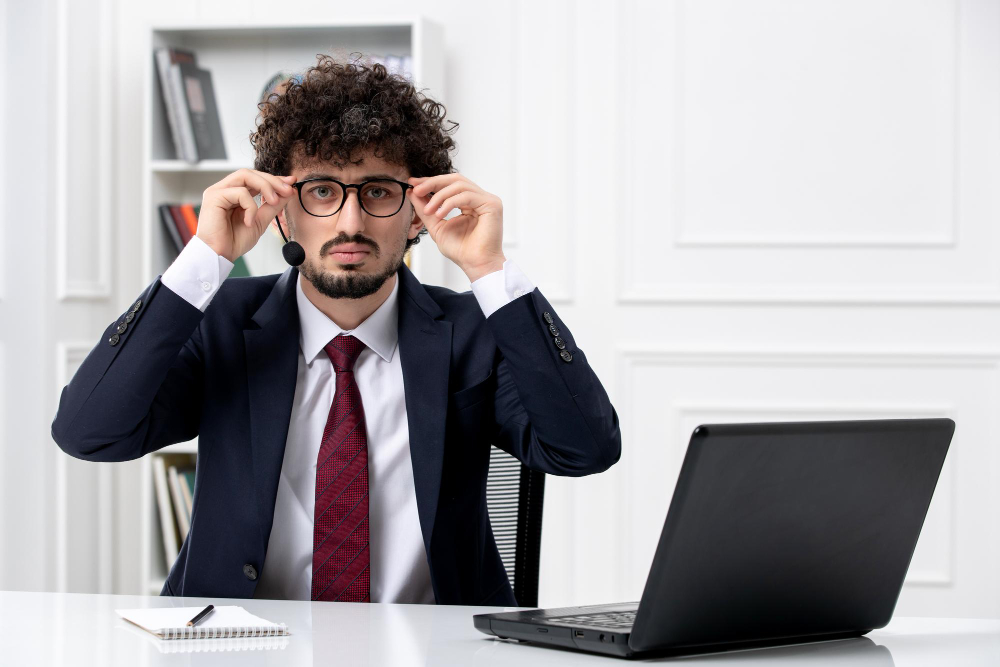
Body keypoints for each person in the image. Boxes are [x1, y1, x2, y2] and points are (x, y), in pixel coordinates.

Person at [51, 54, 621, 605]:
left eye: (378, 192)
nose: (351, 223)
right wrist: (204, 257)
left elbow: (586, 448)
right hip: (241, 645)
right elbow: (89, 432)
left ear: (417, 212)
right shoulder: (223, 322)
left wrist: (489, 271)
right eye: (322, 191)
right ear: (281, 209)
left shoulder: (474, 330)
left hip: (434, 646)